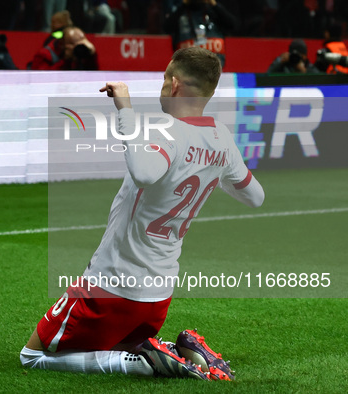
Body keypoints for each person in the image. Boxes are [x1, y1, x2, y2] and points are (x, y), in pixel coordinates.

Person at [20, 47, 264, 380]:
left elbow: (145, 173)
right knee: (107, 346)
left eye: (165, 78)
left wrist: (125, 110)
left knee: (31, 356)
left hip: (111, 286)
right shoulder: (222, 138)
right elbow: (255, 197)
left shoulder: (168, 130)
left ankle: (141, 363)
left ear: (174, 84)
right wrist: (214, 168)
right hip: (158, 297)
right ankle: (178, 350)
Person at [164, 0, 237, 67]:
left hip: (214, 69)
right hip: (186, 70)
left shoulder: (214, 11)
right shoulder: (179, 13)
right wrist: (184, 4)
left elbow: (233, 25)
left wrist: (214, 4)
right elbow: (166, 28)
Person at [30, 26, 98, 70]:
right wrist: (66, 60)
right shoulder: (44, 54)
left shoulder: (81, 52)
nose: (78, 47)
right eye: (73, 43)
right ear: (62, 44)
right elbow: (42, 79)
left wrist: (92, 55)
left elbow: (92, 74)